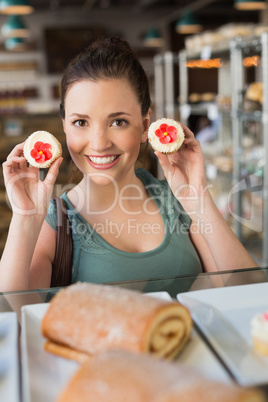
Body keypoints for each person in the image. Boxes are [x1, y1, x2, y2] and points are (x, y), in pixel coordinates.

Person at [0, 37, 257, 292]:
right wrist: (24, 220)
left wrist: (199, 200)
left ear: (145, 125)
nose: (99, 144)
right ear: (65, 125)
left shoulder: (179, 202)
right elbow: (12, 320)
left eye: (118, 121)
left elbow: (250, 295)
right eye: (81, 122)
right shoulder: (53, 223)